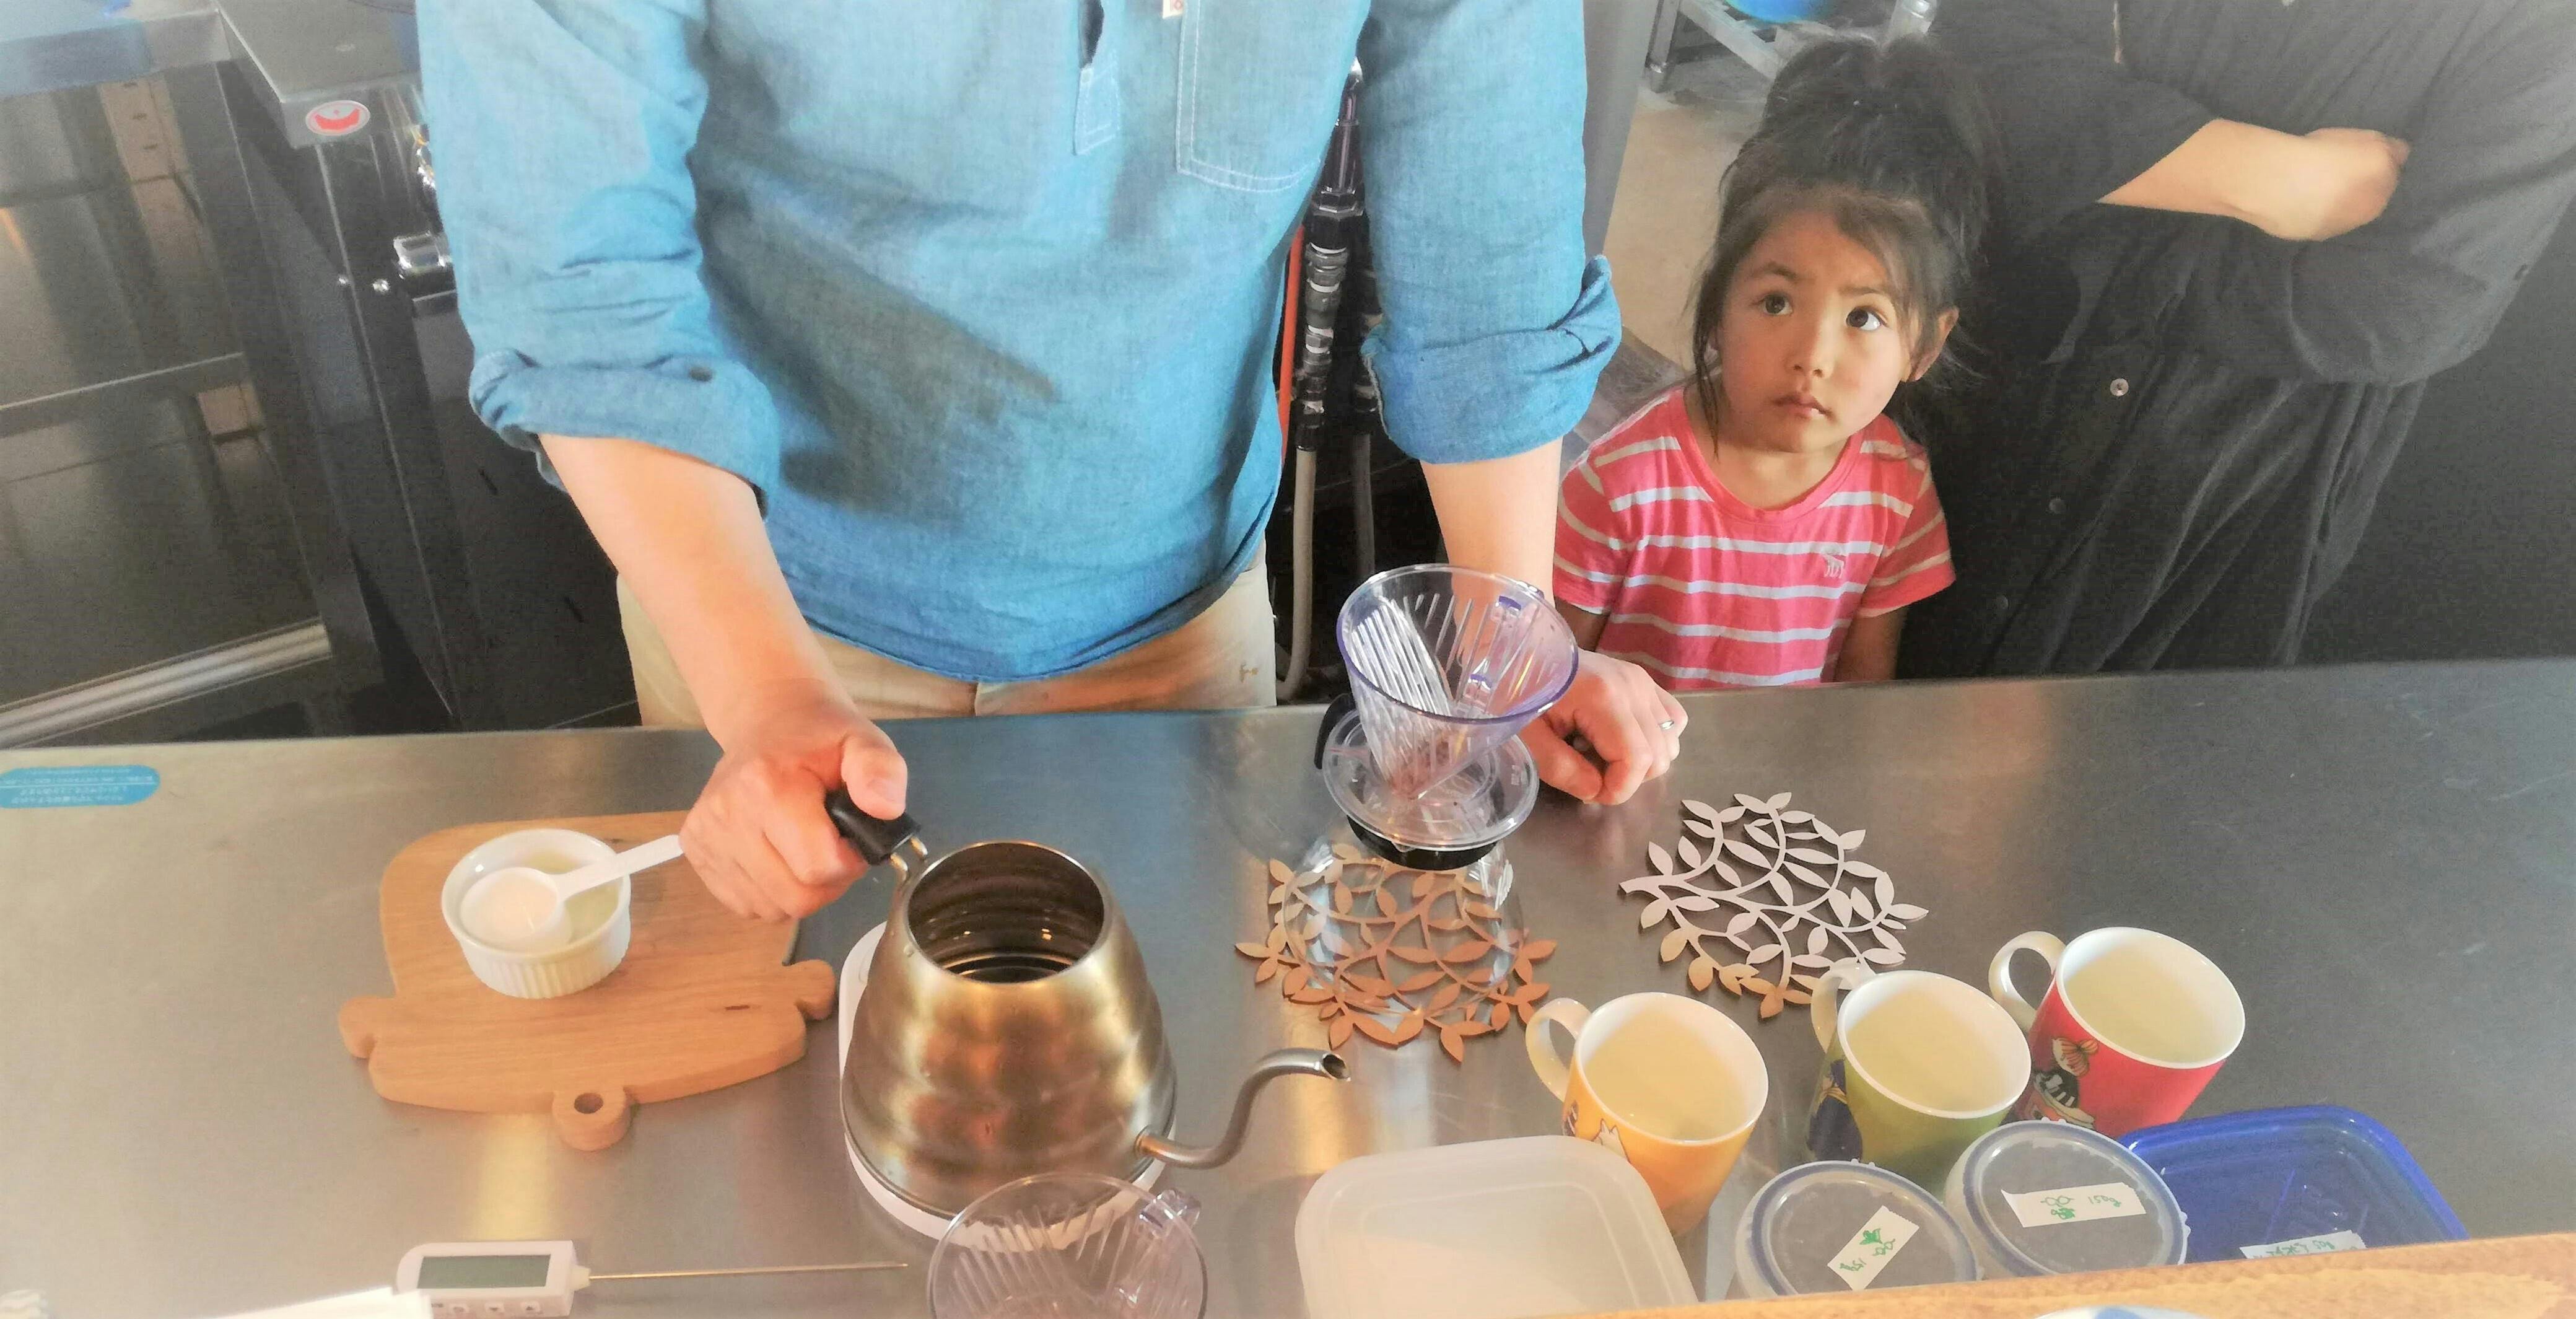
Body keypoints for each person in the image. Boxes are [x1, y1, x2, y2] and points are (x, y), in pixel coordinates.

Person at [419, 4, 1688, 922]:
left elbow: (1487, 215)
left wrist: (1506, 638)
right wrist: (764, 698)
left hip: (1180, 611)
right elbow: (581, 285)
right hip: (765, 611)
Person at [1903, 0, 2576, 675]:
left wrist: (2110, 213)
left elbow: (2407, 309)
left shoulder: (2534, 24)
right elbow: (1977, 75)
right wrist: (2282, 181)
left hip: (2220, 506)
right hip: (1963, 393)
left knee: (2127, 736)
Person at [1553, 36, 1986, 688]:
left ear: (1924, 344)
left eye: (1864, 317)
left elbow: (1862, 698)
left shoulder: (1898, 492)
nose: (1811, 357)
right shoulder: (1619, 484)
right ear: (1718, 309)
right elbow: (1549, 683)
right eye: (1776, 303)